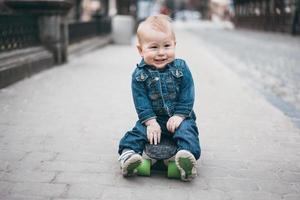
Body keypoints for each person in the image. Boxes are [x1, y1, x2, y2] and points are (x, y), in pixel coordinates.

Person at [118, 14, 201, 181]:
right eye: (154, 47)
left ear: (174, 45)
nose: (161, 53)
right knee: (136, 133)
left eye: (167, 46)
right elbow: (141, 102)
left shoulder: (181, 68)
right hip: (154, 120)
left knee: (187, 131)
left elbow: (187, 93)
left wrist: (180, 115)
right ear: (141, 50)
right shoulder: (139, 75)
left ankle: (186, 157)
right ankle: (128, 156)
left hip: (179, 118)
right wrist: (150, 122)